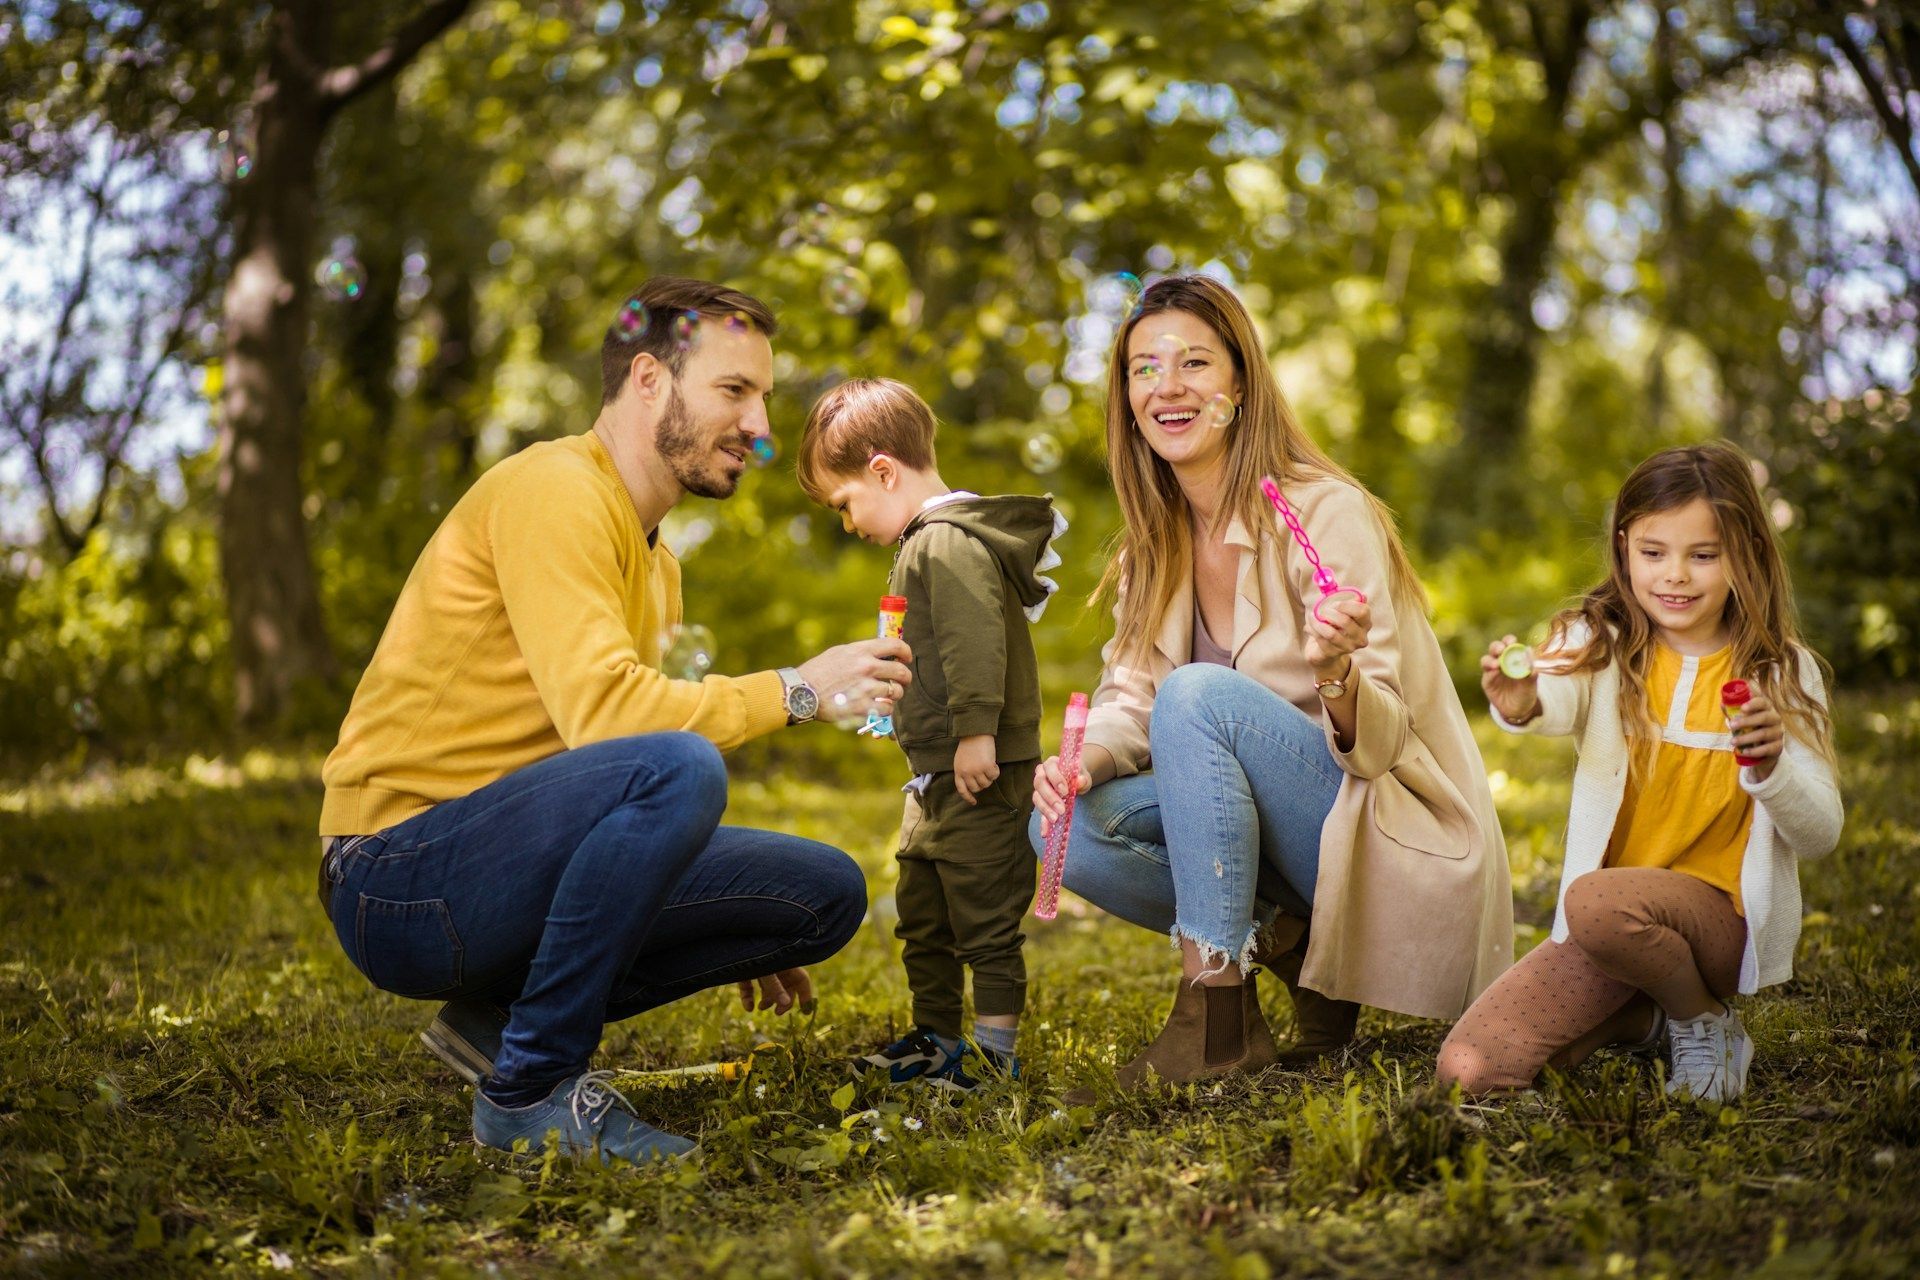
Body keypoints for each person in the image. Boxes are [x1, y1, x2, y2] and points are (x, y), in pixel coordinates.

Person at [318, 277, 915, 1164]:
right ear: (648, 380)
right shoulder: (554, 490)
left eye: (763, 397)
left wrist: (701, 902)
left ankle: (497, 1028)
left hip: (504, 864)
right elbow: (616, 726)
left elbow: (601, 769)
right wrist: (796, 689)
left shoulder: (658, 564)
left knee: (819, 893)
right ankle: (528, 1094)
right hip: (398, 879)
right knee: (678, 768)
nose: (759, 425)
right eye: (734, 391)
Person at [1029, 275, 1512, 1095]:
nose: (1168, 387)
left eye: (1194, 363)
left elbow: (1384, 741)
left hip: (1383, 826)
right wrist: (1088, 762)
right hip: (1292, 842)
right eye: (1144, 368)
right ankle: (1294, 949)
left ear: (1240, 383)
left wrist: (1336, 671)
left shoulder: (1325, 511)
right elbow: (1133, 696)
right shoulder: (1155, 542)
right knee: (1062, 829)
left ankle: (1215, 1012)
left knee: (1200, 697)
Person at [1438, 441, 1844, 1102]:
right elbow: (1555, 696)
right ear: (1625, 546)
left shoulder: (1780, 672)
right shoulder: (1598, 641)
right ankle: (1650, 1012)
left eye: (1703, 555)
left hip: (1712, 922)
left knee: (1595, 900)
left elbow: (1822, 833)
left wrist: (1772, 768)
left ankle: (1703, 1018)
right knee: (1471, 1071)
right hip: (1612, 930)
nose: (1675, 575)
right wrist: (1523, 702)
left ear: (1747, 554)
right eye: (1654, 552)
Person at [797, 378, 1066, 1091]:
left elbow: (976, 641)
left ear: (883, 471)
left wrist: (977, 733)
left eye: (846, 504)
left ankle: (993, 1056)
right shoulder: (923, 543)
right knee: (924, 911)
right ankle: (937, 1036)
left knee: (982, 916)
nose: (849, 523)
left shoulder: (945, 543)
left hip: (977, 769)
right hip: (934, 778)